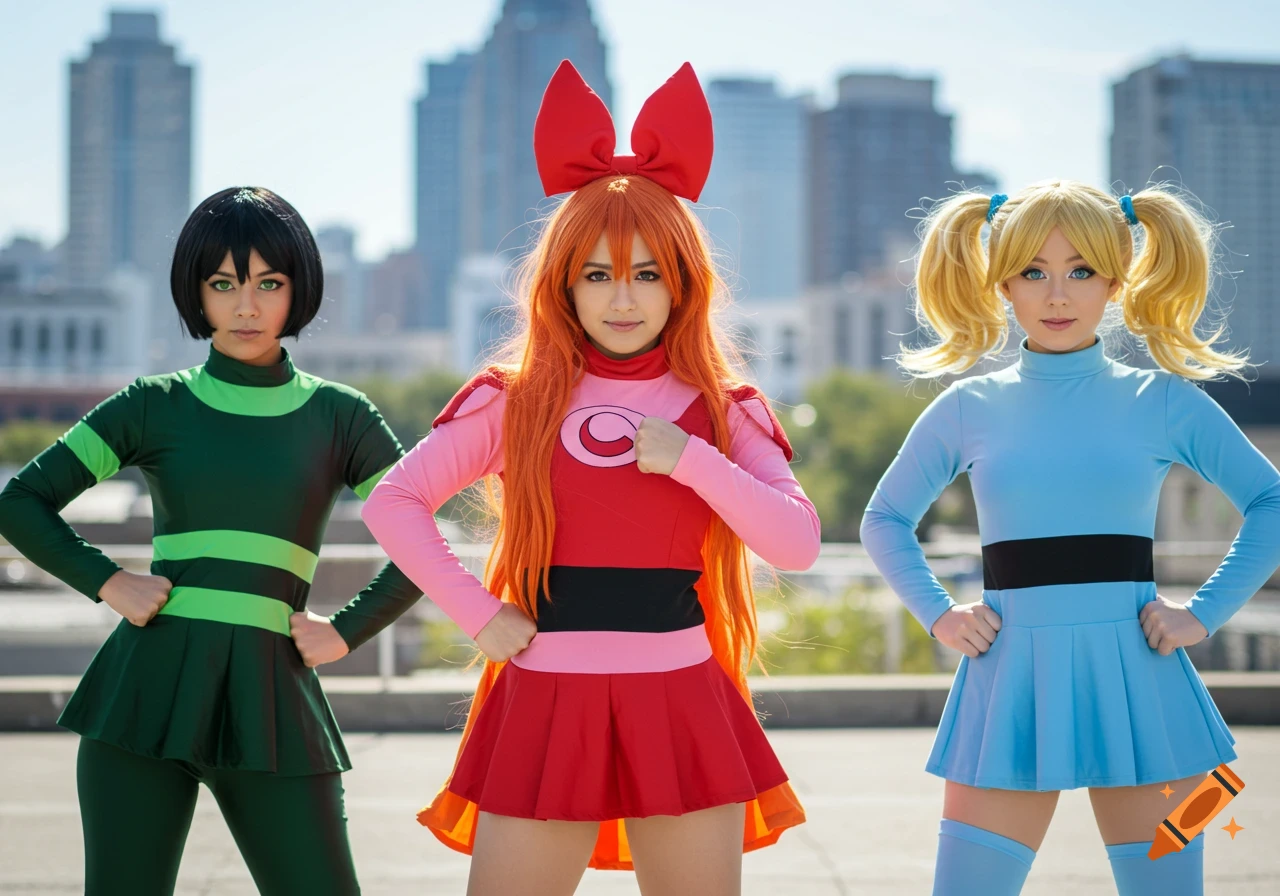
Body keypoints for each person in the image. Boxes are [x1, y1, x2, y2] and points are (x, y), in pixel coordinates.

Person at [361, 61, 820, 896]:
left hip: (681, 696)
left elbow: (796, 542)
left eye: (647, 273)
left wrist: (690, 460)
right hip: (546, 696)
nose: (623, 297)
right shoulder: (516, 400)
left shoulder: (723, 408)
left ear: (682, 283)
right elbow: (393, 501)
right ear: (563, 283)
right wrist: (478, 612)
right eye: (599, 273)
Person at [860, 180, 1280, 896]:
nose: (1058, 294)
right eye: (1033, 271)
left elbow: (1270, 500)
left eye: (1080, 270)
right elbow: (884, 520)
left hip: (1146, 689)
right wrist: (938, 612)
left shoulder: (1167, 399)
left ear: (1117, 281)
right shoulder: (967, 406)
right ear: (1002, 285)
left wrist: (1202, 613)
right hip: (1009, 686)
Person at [0, 186, 423, 895]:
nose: (246, 306)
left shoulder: (341, 417)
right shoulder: (151, 405)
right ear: (198, 294)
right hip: (140, 699)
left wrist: (347, 632)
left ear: (299, 291)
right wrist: (110, 580)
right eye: (223, 284)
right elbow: (20, 501)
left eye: (269, 283)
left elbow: (422, 541)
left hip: (274, 701)